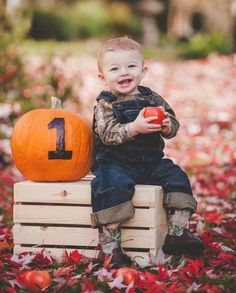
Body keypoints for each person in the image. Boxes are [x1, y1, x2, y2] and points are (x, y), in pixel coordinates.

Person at [90, 37, 204, 268]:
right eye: (114, 68)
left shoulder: (151, 98)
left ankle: (177, 233)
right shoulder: (106, 103)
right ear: (103, 77)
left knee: (177, 177)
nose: (124, 72)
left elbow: (173, 121)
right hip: (115, 162)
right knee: (112, 187)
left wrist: (166, 126)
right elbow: (106, 134)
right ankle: (111, 247)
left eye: (131, 66)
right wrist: (134, 128)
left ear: (143, 71)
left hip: (150, 161)